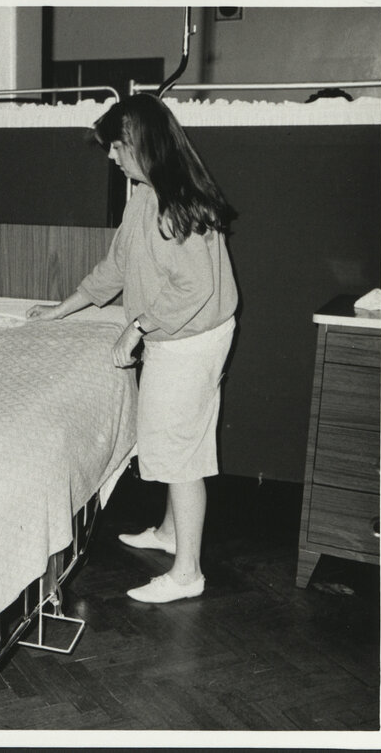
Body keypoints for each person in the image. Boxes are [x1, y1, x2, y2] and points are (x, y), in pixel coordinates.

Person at [27, 93, 238, 604]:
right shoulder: (145, 192)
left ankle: (188, 573)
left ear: (140, 145)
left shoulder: (176, 204)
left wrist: (138, 326)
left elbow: (195, 289)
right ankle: (171, 534)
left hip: (192, 338)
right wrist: (64, 306)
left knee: (180, 453)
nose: (110, 155)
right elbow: (118, 267)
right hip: (178, 335)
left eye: (117, 146)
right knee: (170, 442)